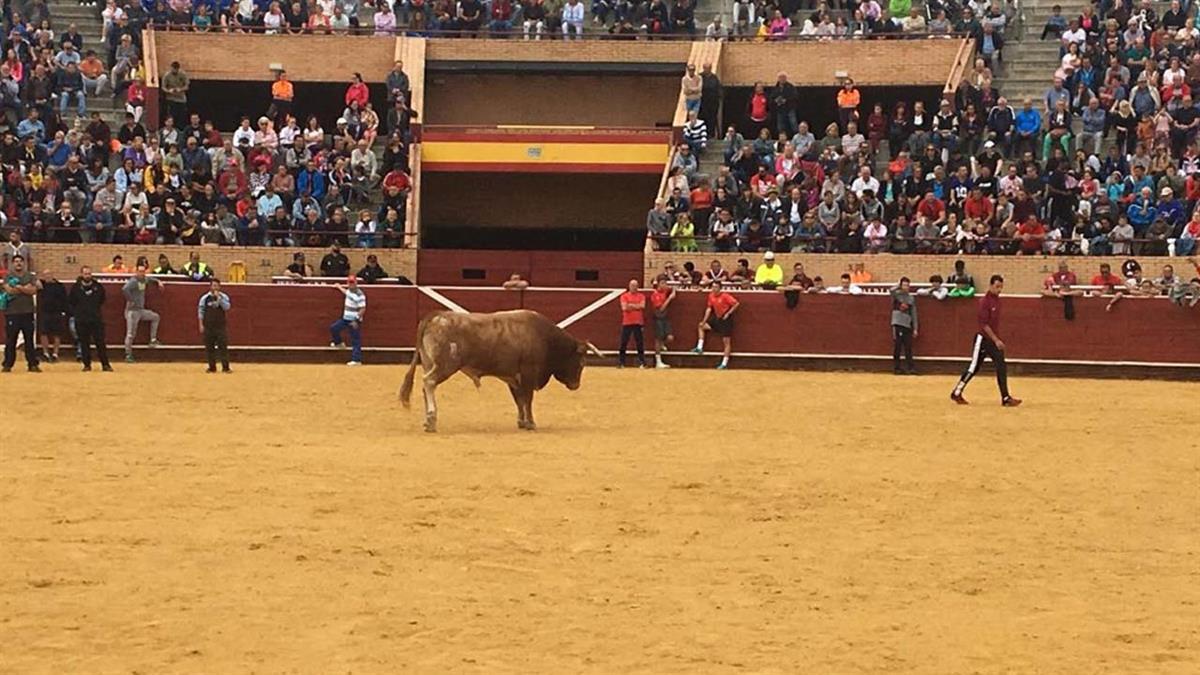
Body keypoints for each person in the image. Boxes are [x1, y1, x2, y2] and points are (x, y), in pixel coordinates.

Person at [950, 275, 1021, 407]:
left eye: (1001, 287)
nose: (999, 290)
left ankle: (1005, 397)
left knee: (1001, 366)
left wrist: (996, 340)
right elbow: (984, 324)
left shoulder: (997, 301)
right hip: (983, 339)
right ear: (990, 286)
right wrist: (996, 340)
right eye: (997, 287)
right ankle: (956, 391)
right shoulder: (984, 302)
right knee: (973, 368)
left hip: (992, 340)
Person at [68, 266, 112, 372]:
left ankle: (105, 364)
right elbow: (72, 301)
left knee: (100, 342)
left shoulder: (98, 287)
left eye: (89, 273)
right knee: (84, 343)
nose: (87, 275)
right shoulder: (76, 288)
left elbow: (102, 300)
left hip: (96, 319)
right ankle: (87, 365)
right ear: (81, 274)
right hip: (81, 320)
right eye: (85, 273)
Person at [1, 254, 40, 372]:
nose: (18, 263)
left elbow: (33, 291)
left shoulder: (30, 276)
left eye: (20, 261)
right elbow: (9, 290)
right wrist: (24, 288)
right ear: (12, 264)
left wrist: (18, 287)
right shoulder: (8, 276)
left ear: (24, 263)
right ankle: (7, 365)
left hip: (27, 312)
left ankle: (32, 364)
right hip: (12, 313)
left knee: (29, 340)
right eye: (16, 261)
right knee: (11, 340)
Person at [692, 279, 739, 370]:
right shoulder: (711, 296)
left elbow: (736, 303)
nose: (714, 289)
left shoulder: (725, 296)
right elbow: (709, 309)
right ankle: (699, 347)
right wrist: (704, 321)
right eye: (713, 287)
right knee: (701, 326)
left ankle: (724, 363)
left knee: (726, 342)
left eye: (716, 287)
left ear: (720, 288)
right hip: (717, 319)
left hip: (726, 320)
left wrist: (728, 313)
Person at [122, 265, 162, 363]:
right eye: (140, 271)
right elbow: (124, 289)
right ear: (136, 272)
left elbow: (150, 279)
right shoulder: (134, 281)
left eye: (143, 271)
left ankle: (152, 340)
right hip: (132, 311)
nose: (142, 273)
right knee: (131, 334)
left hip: (140, 310)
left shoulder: (144, 280)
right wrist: (130, 300)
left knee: (155, 317)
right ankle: (128, 355)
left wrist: (158, 281)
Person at [330, 277, 367, 366]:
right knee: (334, 328)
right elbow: (345, 292)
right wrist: (338, 286)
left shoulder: (360, 294)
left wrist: (356, 320)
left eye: (352, 282)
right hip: (345, 318)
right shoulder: (349, 291)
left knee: (355, 340)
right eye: (349, 283)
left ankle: (356, 359)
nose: (351, 284)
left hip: (353, 320)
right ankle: (339, 343)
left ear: (356, 283)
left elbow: (363, 308)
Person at [198, 279, 232, 373]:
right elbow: (201, 311)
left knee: (223, 347)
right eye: (213, 286)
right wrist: (201, 324)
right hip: (208, 326)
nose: (215, 287)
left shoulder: (223, 297)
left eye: (217, 286)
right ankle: (212, 367)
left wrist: (219, 299)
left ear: (219, 287)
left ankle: (226, 367)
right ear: (210, 287)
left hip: (220, 326)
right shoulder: (204, 298)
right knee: (209, 347)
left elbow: (227, 307)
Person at [36, 269, 68, 363]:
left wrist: (64, 310)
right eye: (45, 275)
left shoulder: (59, 286)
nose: (47, 276)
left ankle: (55, 354)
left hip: (56, 312)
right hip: (44, 312)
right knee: (43, 333)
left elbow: (64, 299)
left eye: (49, 274)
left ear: (52, 275)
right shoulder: (41, 285)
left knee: (57, 333)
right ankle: (45, 353)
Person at [890, 276, 919, 375]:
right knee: (898, 346)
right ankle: (896, 368)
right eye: (904, 285)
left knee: (908, 347)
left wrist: (915, 328)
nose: (906, 287)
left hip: (907, 324)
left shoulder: (911, 298)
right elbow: (891, 290)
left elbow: (914, 313)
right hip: (897, 323)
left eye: (907, 285)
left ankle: (910, 368)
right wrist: (898, 285)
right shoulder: (896, 295)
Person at [617, 279, 647, 368]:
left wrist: (631, 305)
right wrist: (636, 306)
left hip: (638, 322)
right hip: (627, 322)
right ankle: (621, 362)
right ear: (629, 286)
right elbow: (624, 308)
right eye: (632, 285)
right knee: (623, 342)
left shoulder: (641, 296)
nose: (634, 287)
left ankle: (642, 362)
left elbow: (643, 306)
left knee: (640, 343)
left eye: (635, 286)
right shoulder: (624, 296)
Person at [649, 276, 676, 369]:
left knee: (670, 337)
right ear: (659, 284)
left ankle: (662, 344)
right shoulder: (655, 295)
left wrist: (673, 292)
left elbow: (673, 289)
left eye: (666, 283)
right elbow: (661, 309)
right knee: (658, 339)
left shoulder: (665, 290)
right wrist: (670, 298)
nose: (665, 285)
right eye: (663, 283)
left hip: (665, 318)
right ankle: (658, 361)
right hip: (658, 318)